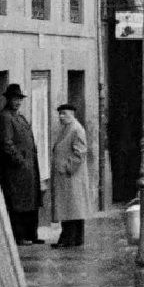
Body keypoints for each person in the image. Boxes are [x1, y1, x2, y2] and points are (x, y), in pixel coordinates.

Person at [0, 83, 41, 244]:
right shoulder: (5, 117)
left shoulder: (20, 117)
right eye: (15, 99)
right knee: (18, 203)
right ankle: (19, 236)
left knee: (30, 202)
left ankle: (31, 235)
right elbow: (6, 143)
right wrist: (20, 161)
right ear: (8, 100)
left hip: (28, 169)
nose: (18, 102)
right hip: (17, 170)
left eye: (19, 99)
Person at [50, 103, 91, 247]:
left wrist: (67, 168)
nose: (61, 116)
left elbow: (80, 152)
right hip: (68, 178)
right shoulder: (68, 128)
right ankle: (73, 239)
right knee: (72, 210)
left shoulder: (75, 129)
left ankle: (69, 239)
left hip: (71, 177)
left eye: (64, 113)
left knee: (71, 209)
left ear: (72, 114)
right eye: (60, 114)